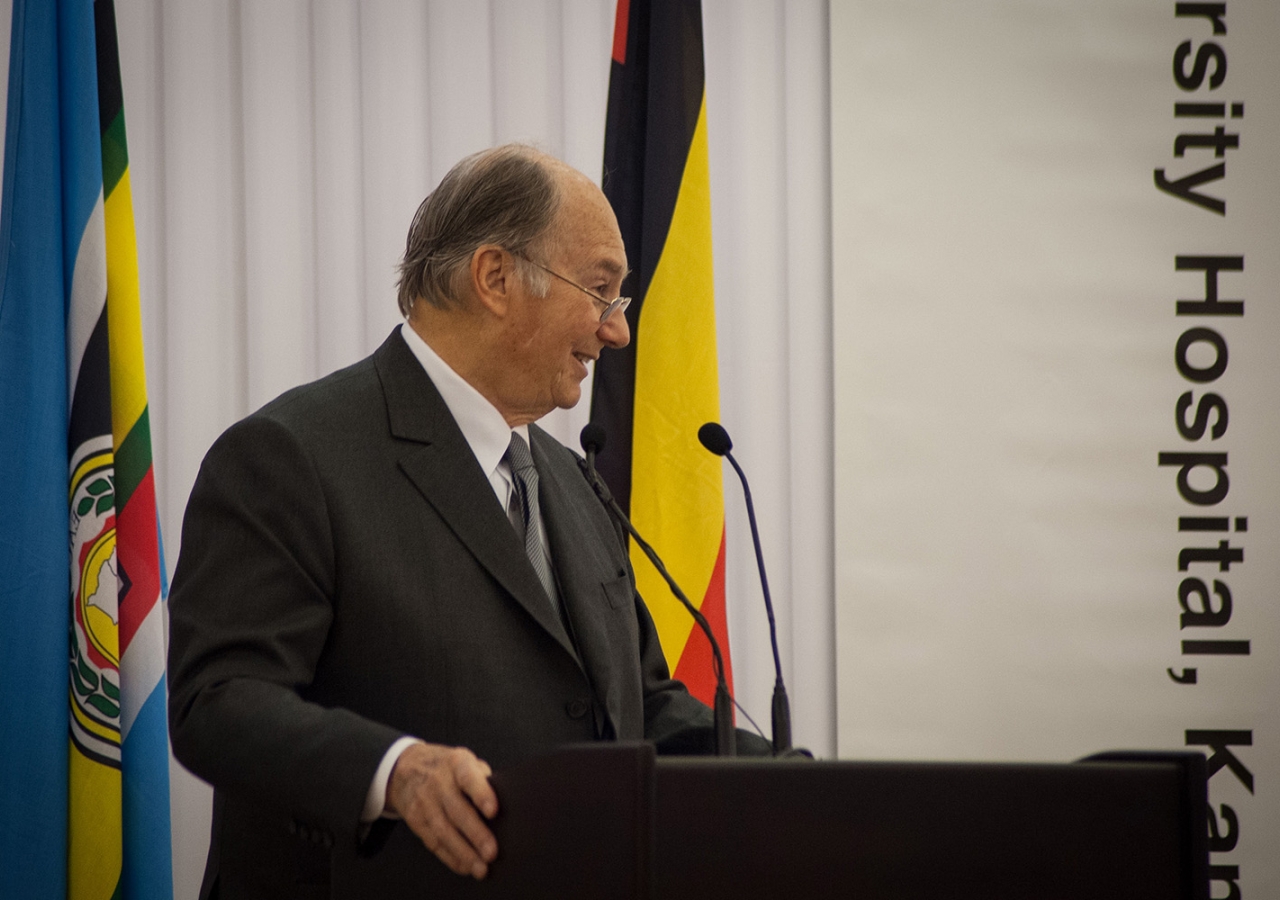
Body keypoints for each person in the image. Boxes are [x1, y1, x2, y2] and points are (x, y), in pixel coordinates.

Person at [167, 144, 766, 899]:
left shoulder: (573, 483)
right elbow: (217, 701)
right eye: (602, 290)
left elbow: (638, 708)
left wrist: (791, 780)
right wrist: (396, 771)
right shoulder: (289, 456)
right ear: (495, 278)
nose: (617, 332)